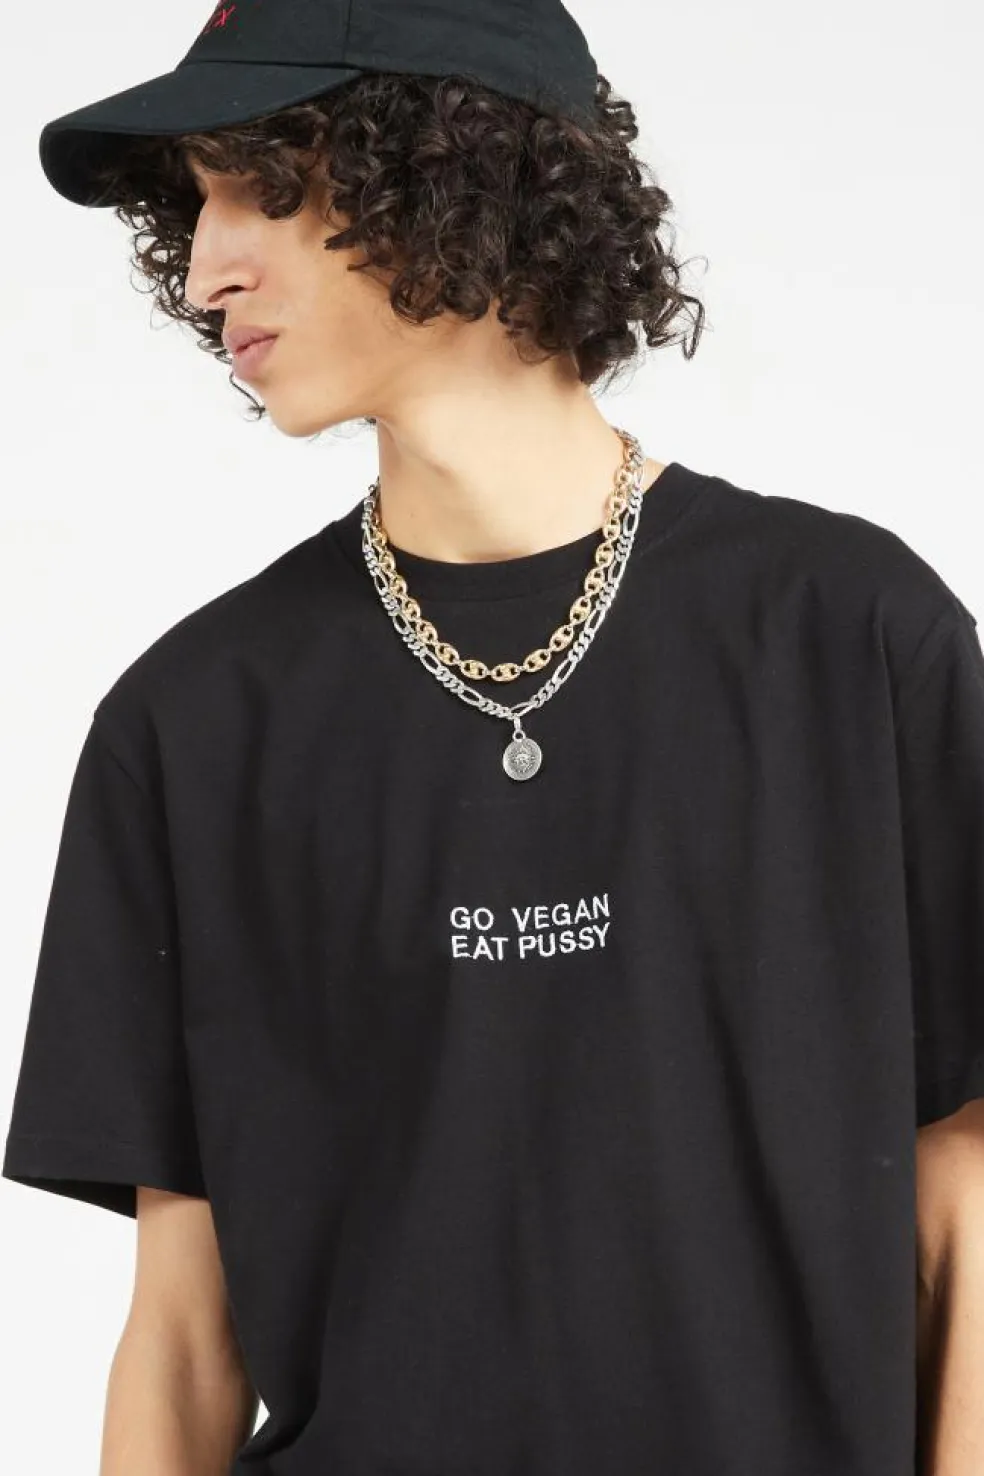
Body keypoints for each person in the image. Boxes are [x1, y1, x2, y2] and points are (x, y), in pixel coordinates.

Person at [3, 0, 983, 1473]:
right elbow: (183, 1339)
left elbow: (964, 1211)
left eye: (261, 186)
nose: (206, 272)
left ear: (449, 166)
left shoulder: (853, 639)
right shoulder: (190, 726)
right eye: (190, 209)